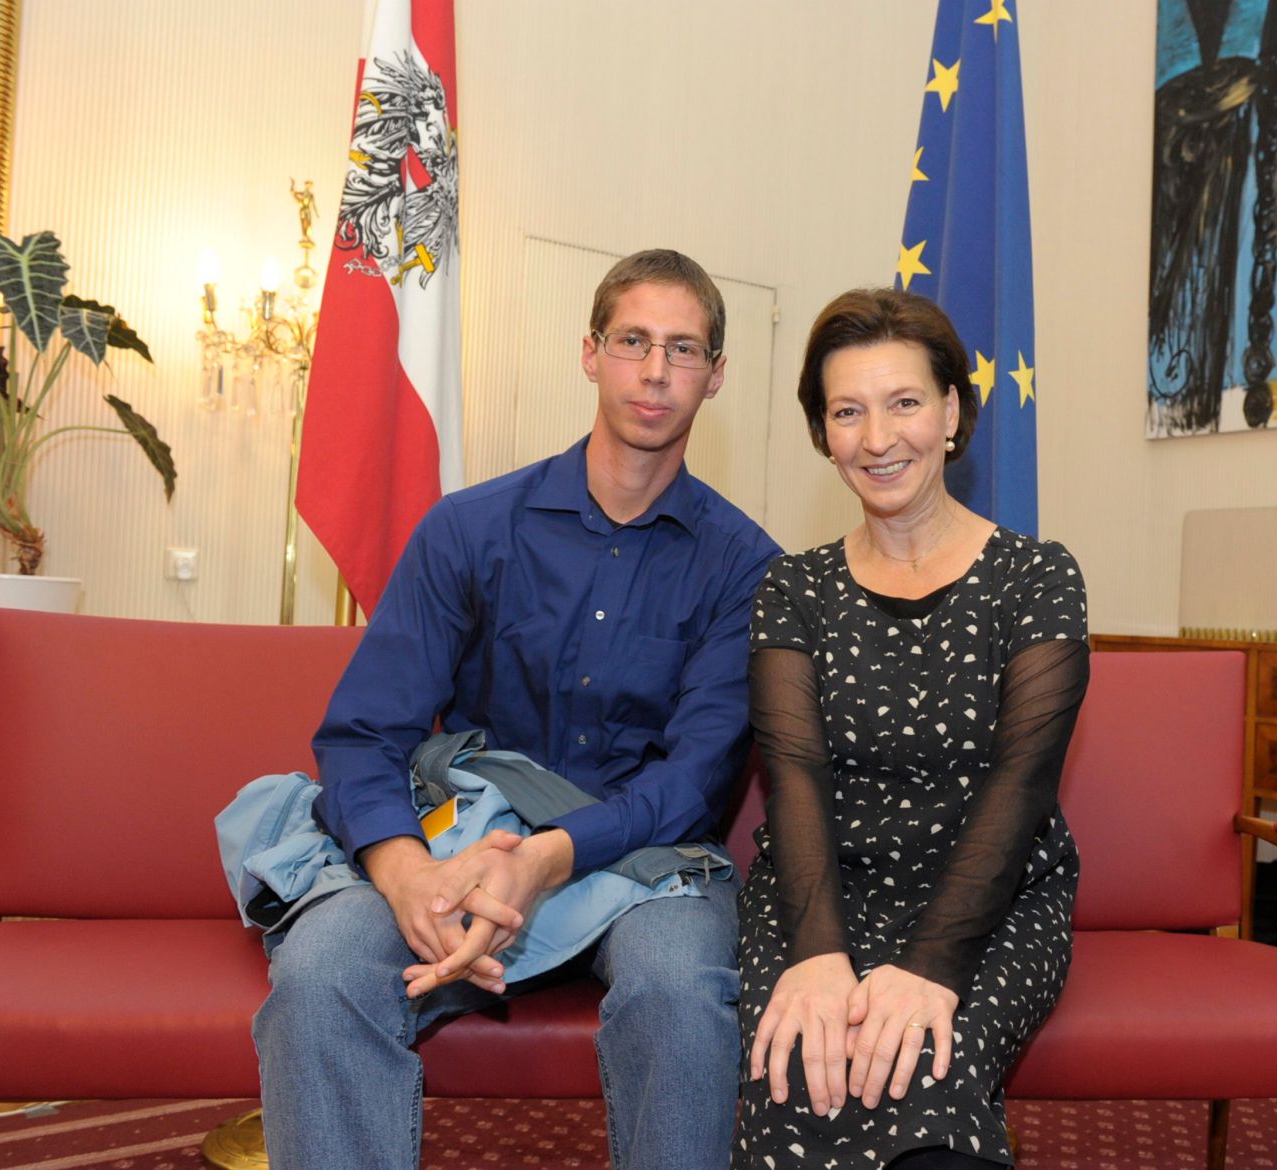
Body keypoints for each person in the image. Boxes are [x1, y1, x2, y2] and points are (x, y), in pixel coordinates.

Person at [253, 249, 780, 1170]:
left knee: (683, 991)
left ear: (716, 376)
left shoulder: (747, 568)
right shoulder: (469, 530)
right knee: (323, 969)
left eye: (684, 349)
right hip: (460, 847)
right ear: (590, 352)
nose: (655, 371)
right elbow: (364, 731)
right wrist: (406, 868)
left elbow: (696, 781)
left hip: (643, 867)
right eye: (633, 341)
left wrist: (549, 858)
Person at [736, 288, 1089, 1168]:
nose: (879, 437)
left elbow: (1023, 784)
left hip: (990, 897)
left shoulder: (1039, 578)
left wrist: (931, 962)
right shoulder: (793, 589)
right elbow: (795, 775)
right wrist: (819, 957)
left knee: (922, 1072)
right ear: (823, 432)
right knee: (797, 1071)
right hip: (821, 894)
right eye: (847, 411)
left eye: (904, 403)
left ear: (952, 411)